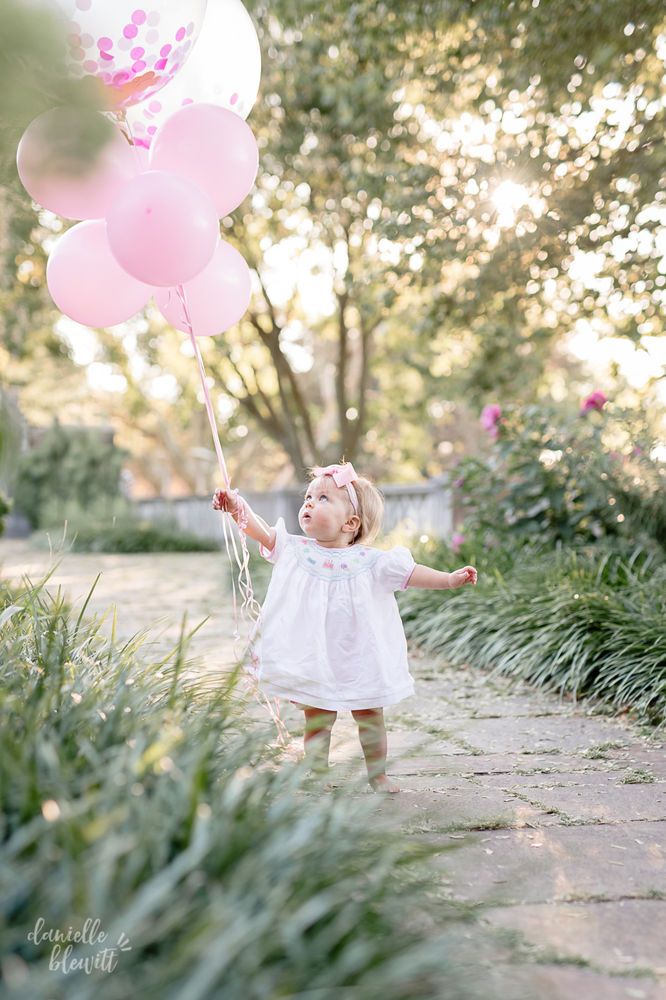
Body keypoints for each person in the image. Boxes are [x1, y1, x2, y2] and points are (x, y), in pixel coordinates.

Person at [213, 462, 477, 794]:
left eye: (323, 498)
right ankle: (317, 771)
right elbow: (259, 530)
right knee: (318, 716)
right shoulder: (294, 549)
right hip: (316, 655)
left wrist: (449, 580)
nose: (308, 503)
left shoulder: (372, 561)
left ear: (350, 523)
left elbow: (411, 573)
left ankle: (378, 774)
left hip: (359, 653)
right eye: (308, 497)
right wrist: (237, 506)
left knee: (369, 714)